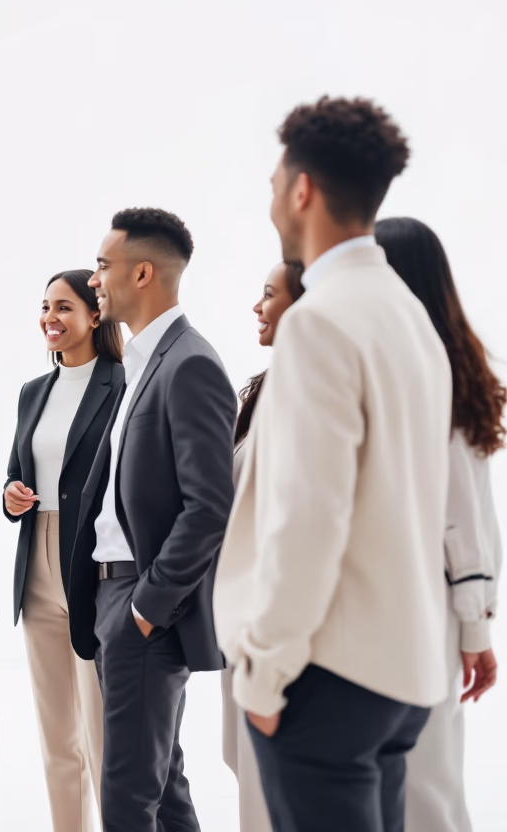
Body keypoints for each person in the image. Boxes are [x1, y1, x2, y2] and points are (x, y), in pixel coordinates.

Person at [215, 97, 451, 832]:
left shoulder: (319, 322)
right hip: (401, 671)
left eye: (274, 177)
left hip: (325, 674)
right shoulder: (408, 314)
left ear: (302, 189)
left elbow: (306, 519)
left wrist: (263, 673)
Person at [72, 207, 235, 832]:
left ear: (143, 273)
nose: (95, 279)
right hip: (115, 594)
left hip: (142, 602)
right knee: (162, 788)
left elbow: (208, 505)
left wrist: (147, 605)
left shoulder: (189, 362)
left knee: (126, 797)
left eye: (103, 266)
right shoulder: (143, 360)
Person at [375, 216, 502, 832]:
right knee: (414, 778)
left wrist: (476, 630)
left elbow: (466, 519)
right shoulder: (422, 364)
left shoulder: (434, 373)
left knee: (426, 784)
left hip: (428, 604)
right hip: (410, 604)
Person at [2, 270, 123, 832]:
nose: (50, 317)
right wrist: (11, 495)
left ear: (95, 316)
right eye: (45, 306)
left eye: (64, 307)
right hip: (38, 569)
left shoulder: (122, 383)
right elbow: (14, 476)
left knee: (102, 736)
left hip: (94, 566)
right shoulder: (33, 391)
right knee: (56, 737)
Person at [219, 261, 304, 832]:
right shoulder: (259, 391)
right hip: (240, 615)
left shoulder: (312, 399)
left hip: (278, 621)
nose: (257, 306)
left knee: (279, 780)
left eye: (269, 295)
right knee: (245, 765)